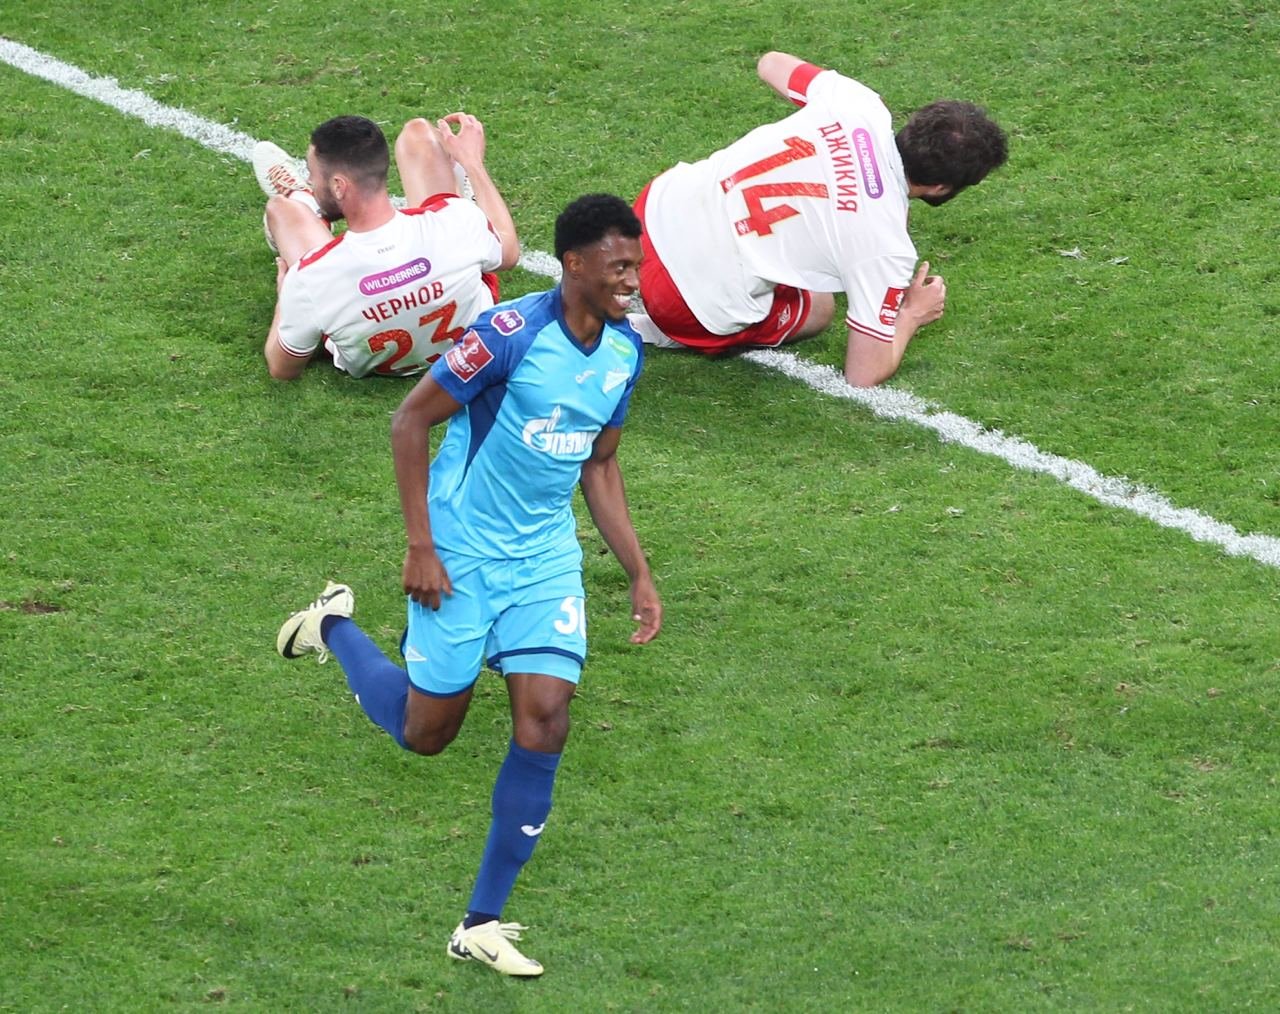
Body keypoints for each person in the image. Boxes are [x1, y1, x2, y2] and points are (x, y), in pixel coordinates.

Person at [274, 193, 662, 977]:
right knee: (427, 735)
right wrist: (421, 547)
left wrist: (638, 572)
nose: (632, 280)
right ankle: (333, 627)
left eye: (637, 265)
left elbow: (601, 463)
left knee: (546, 719)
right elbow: (410, 421)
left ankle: (480, 923)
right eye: (619, 266)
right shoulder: (508, 335)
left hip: (543, 559)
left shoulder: (625, 352)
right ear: (575, 263)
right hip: (460, 553)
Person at [631, 51, 1008, 387]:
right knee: (818, 307)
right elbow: (863, 374)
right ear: (940, 187)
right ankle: (659, 331)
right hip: (681, 303)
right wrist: (911, 314)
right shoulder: (886, 245)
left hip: (651, 213)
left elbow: (771, 62)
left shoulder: (860, 104)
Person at [254, 113, 521, 380]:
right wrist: (473, 163)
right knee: (419, 132)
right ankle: (461, 185)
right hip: (464, 330)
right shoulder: (456, 218)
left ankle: (302, 199)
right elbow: (509, 253)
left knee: (281, 210)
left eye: (313, 175)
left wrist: (286, 295)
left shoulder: (309, 277)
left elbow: (282, 369)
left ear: (338, 186)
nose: (313, 180)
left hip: (376, 355)